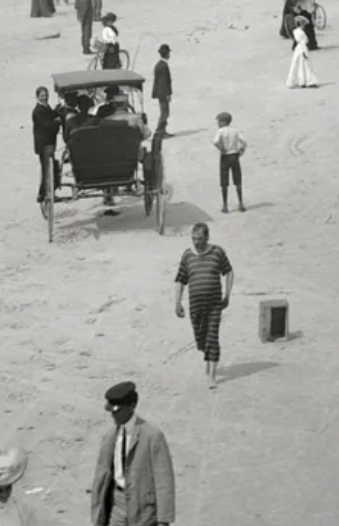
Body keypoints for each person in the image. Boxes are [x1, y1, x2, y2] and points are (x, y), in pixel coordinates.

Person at [90, 382, 175, 526]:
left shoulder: (152, 435)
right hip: (116, 503)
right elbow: (102, 474)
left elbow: (163, 478)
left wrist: (163, 519)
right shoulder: (109, 436)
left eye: (117, 410)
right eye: (111, 411)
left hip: (143, 507)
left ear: (132, 405)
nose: (113, 415)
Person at [174, 223, 233, 388]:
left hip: (214, 304)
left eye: (199, 239)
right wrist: (177, 303)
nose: (196, 242)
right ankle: (207, 354)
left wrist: (227, 294)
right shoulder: (187, 256)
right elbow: (180, 279)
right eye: (193, 239)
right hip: (195, 306)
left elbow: (229, 271)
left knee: (212, 337)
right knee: (201, 339)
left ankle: (212, 376)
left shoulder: (217, 252)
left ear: (207, 238)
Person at [211, 112, 247, 213]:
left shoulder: (220, 131)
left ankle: (225, 205)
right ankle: (241, 203)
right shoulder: (236, 130)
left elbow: (215, 142)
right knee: (237, 179)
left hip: (225, 157)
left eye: (219, 121)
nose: (218, 123)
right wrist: (241, 151)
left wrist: (221, 149)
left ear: (223, 122)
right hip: (235, 156)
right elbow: (244, 142)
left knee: (224, 182)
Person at [31, 87, 60, 208]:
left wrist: (58, 111)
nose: (44, 97)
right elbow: (46, 125)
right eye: (42, 95)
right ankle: (42, 193)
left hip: (49, 142)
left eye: (46, 95)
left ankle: (50, 191)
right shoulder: (38, 110)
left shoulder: (45, 107)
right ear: (37, 96)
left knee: (50, 167)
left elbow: (52, 114)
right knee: (47, 169)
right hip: (44, 144)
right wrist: (57, 121)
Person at [285, 16, 318, 89]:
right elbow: (305, 41)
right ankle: (309, 81)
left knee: (297, 65)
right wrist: (304, 53)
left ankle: (300, 81)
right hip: (303, 48)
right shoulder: (302, 33)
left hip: (298, 49)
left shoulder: (295, 31)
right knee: (306, 65)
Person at [150, 45, 172, 138]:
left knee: (164, 112)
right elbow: (163, 82)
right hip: (163, 93)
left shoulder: (159, 65)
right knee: (165, 113)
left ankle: (163, 131)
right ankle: (160, 131)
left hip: (160, 92)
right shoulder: (163, 66)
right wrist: (167, 94)